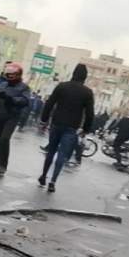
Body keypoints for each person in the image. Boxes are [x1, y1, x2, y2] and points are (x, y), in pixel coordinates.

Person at [38, 63, 95, 192]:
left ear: (73, 74)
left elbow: (49, 103)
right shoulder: (87, 92)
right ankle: (53, 181)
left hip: (56, 123)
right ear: (85, 77)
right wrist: (85, 129)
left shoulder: (61, 87)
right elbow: (90, 114)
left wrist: (44, 119)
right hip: (71, 128)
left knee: (51, 151)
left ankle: (43, 176)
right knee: (62, 155)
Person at [0, 63, 32, 175]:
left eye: (12, 75)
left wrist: (10, 99)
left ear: (18, 75)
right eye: (8, 75)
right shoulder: (3, 85)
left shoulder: (24, 87)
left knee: (4, 139)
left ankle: (3, 165)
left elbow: (25, 101)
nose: (9, 77)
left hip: (12, 116)